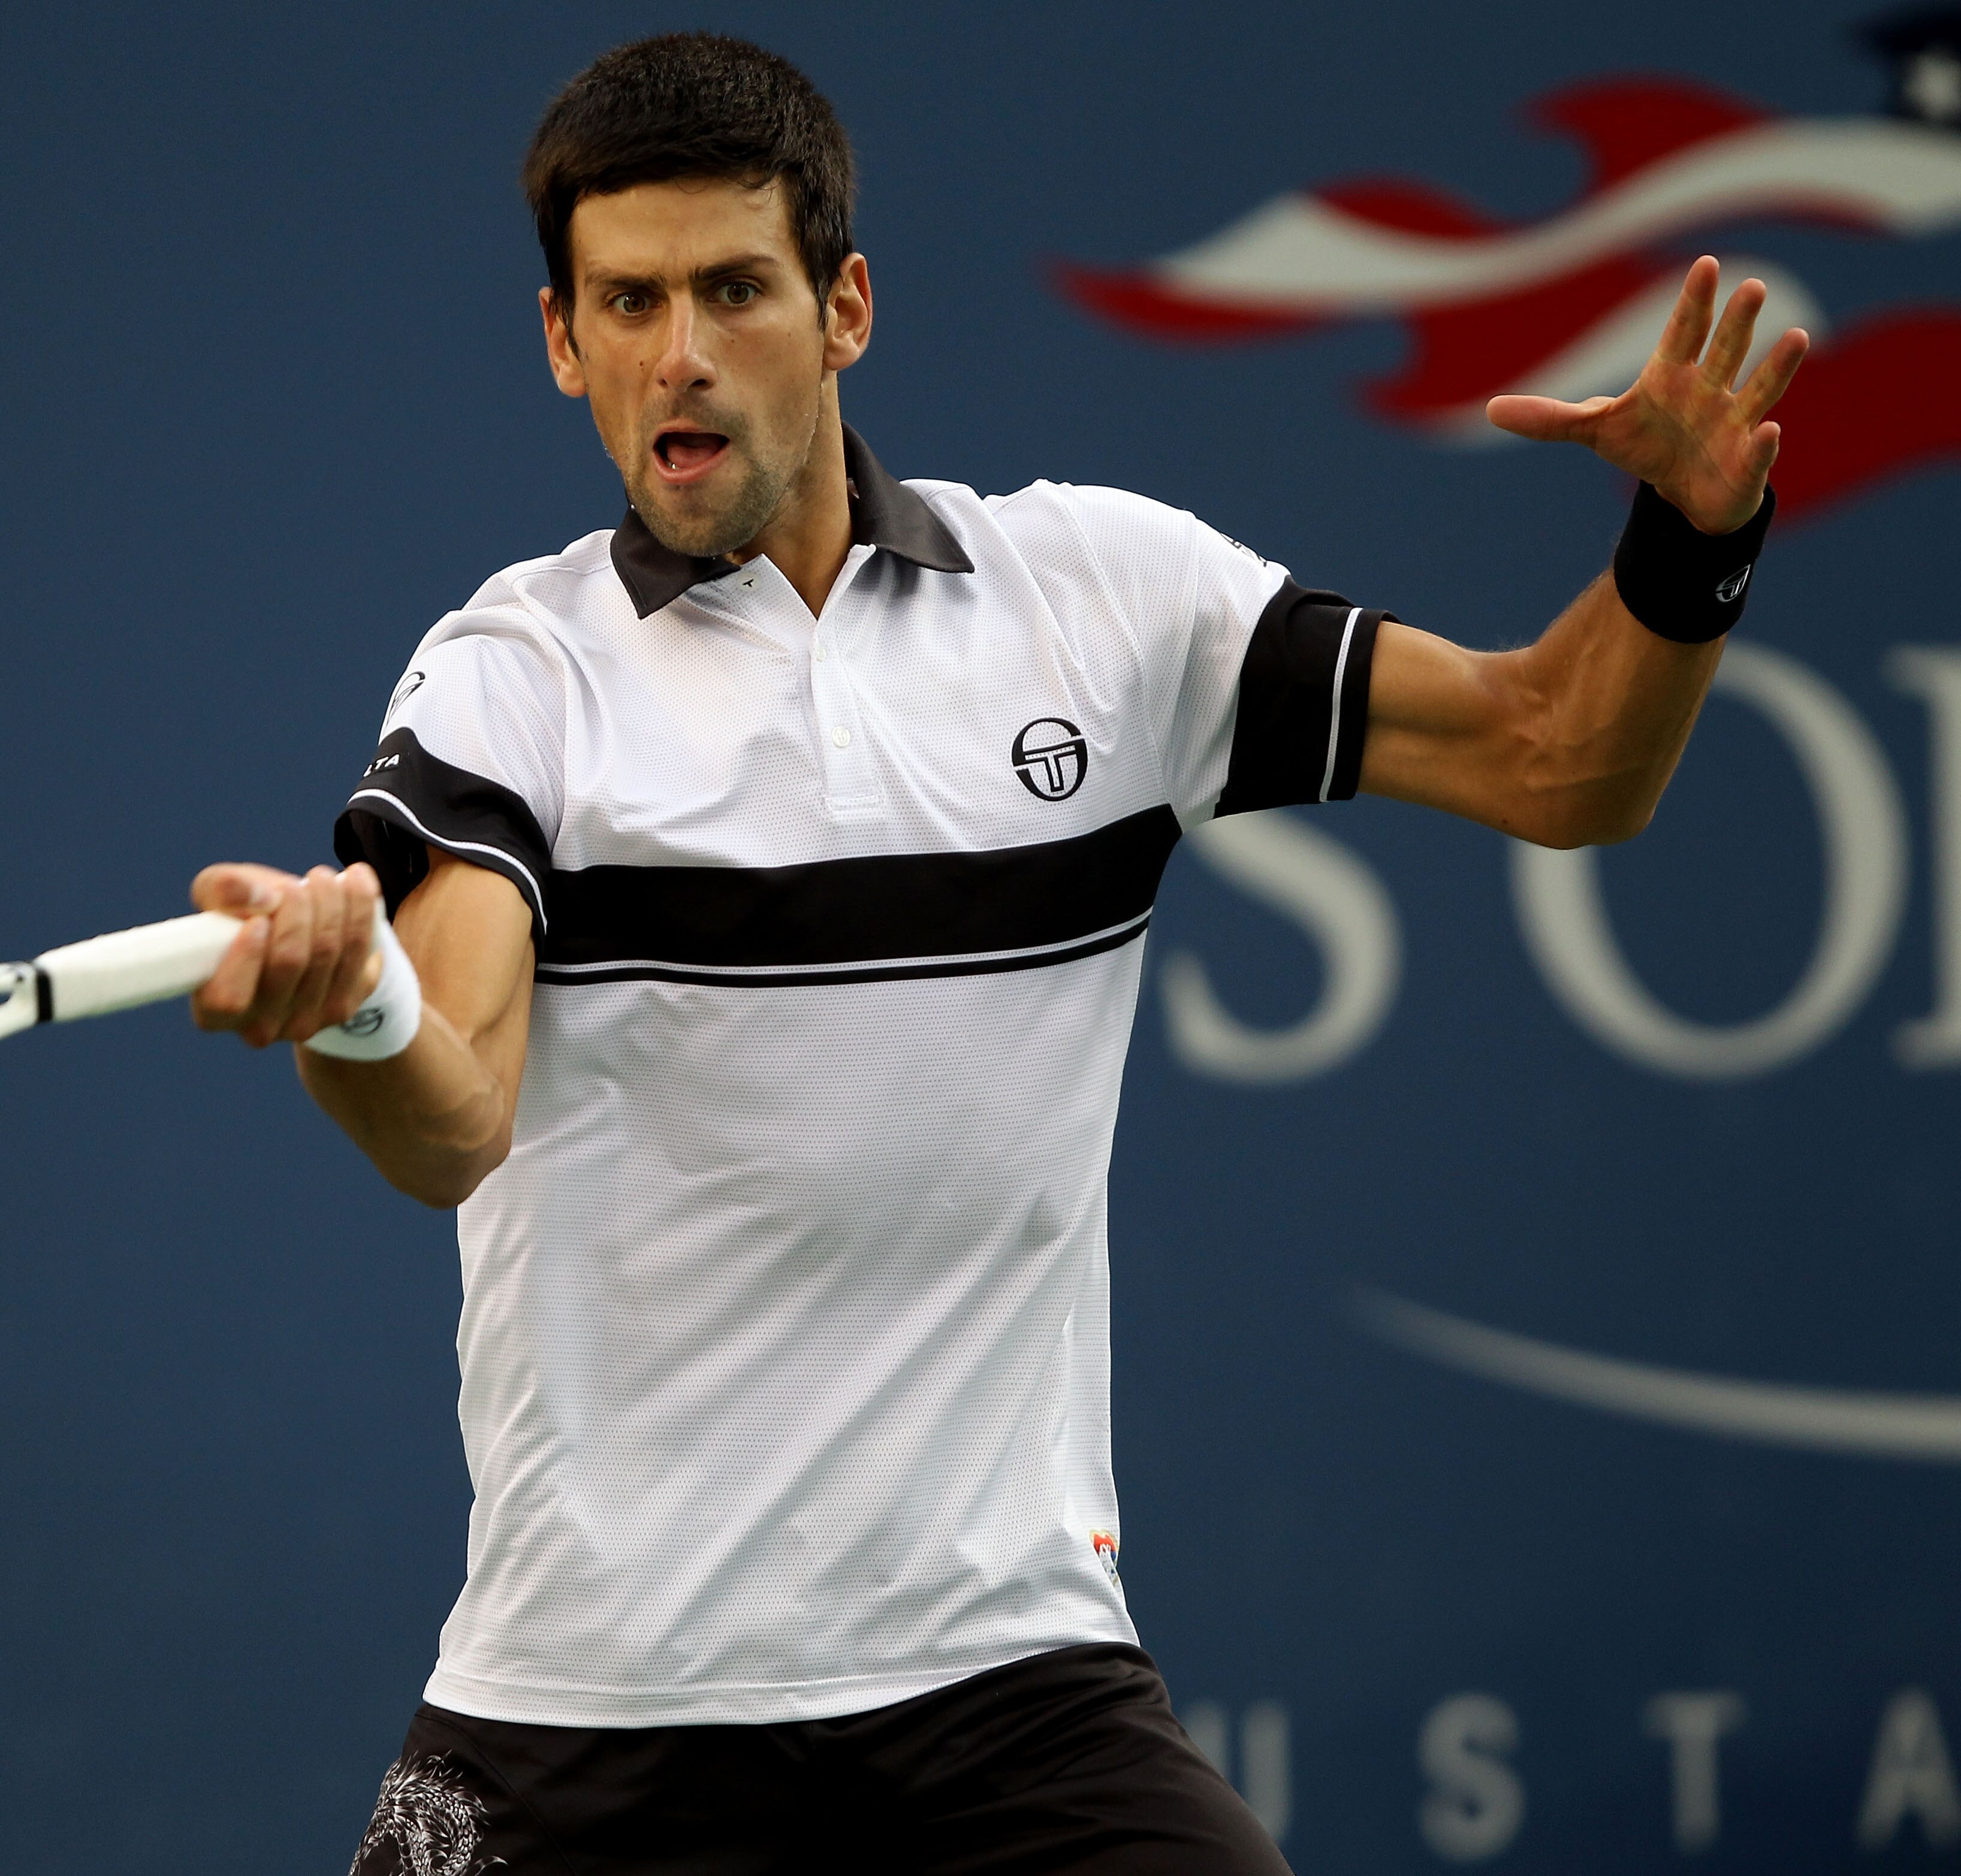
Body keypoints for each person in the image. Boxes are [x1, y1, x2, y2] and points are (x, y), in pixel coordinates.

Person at [187, 32, 1803, 1875]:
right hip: (591, 1707)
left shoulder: (1103, 603)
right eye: (625, 304)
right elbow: (451, 1116)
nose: (680, 355)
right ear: (562, 342)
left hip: (1008, 1688)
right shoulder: (517, 676)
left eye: (735, 290)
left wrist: (1693, 540)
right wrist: (365, 1005)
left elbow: (1558, 758)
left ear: (847, 306)